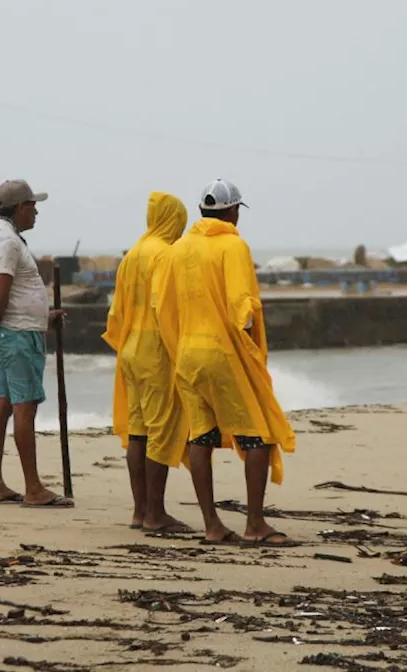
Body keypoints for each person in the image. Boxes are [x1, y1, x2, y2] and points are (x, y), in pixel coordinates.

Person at [155, 179, 298, 547]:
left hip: (188, 353)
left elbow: (163, 307)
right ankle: (254, 524)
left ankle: (212, 525)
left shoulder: (179, 248)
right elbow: (243, 308)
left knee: (200, 437)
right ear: (233, 211)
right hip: (224, 352)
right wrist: (251, 353)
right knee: (258, 435)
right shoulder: (233, 245)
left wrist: (178, 348)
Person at [0, 178, 72, 508]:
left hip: (14, 330)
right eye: (33, 206)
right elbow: (0, 294)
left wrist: (44, 315)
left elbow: (11, 297)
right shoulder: (9, 243)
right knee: (24, 409)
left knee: (1, 407)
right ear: (19, 208)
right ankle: (33, 488)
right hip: (17, 337)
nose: (36, 212)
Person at [102, 192, 193, 534]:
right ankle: (156, 513)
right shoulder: (164, 255)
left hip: (130, 349)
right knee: (161, 431)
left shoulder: (133, 254)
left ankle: (140, 511)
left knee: (138, 432)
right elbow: (166, 307)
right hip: (156, 351)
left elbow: (117, 311)